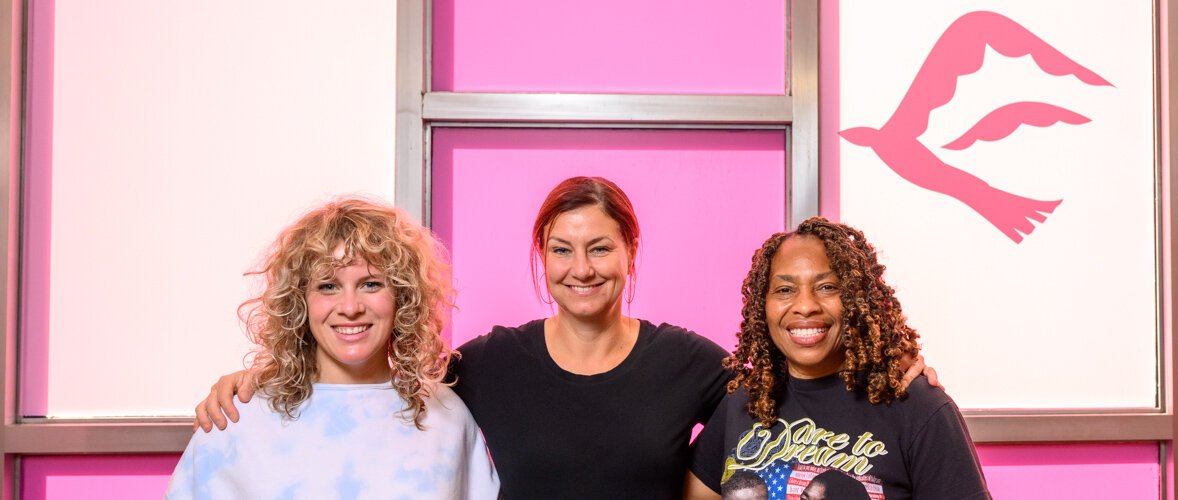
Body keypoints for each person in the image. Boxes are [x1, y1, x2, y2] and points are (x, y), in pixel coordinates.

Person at [196, 177, 933, 498]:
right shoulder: (487, 366)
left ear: (631, 255)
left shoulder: (690, 363)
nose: (582, 268)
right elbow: (370, 380)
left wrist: (892, 358)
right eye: (561, 249)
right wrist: (263, 375)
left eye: (601, 248)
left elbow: (792, 375)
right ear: (542, 259)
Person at [167, 198, 498, 499]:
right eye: (328, 286)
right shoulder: (237, 417)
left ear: (403, 296)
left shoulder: (446, 417)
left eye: (371, 284)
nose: (350, 306)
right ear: (299, 302)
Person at [686, 217, 989, 500]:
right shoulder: (746, 400)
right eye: (785, 289)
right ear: (762, 307)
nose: (805, 306)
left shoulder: (917, 405)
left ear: (856, 300)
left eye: (827, 287)